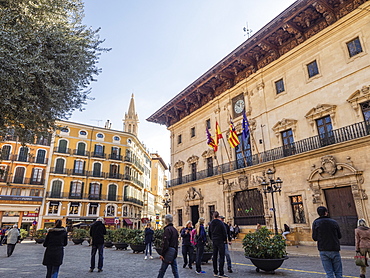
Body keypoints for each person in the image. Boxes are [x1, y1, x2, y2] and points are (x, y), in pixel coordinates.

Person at [312, 206, 343, 278]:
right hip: (334, 248)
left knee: (329, 273)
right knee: (338, 273)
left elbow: (314, 238)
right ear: (326, 213)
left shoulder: (316, 223)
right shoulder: (334, 222)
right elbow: (339, 236)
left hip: (323, 249)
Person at [157, 214, 179, 278]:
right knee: (175, 270)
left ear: (166, 221)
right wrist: (176, 253)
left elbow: (165, 243)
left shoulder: (167, 230)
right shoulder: (175, 230)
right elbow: (176, 242)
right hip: (173, 251)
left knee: (162, 270)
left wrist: (162, 254)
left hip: (168, 252)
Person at [209, 211, 228, 278]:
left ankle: (215, 271)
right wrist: (225, 240)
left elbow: (209, 233)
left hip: (214, 240)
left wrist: (212, 239)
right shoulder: (220, 223)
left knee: (215, 256)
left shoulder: (211, 223)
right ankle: (221, 272)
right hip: (220, 241)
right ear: (218, 216)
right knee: (221, 256)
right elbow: (224, 232)